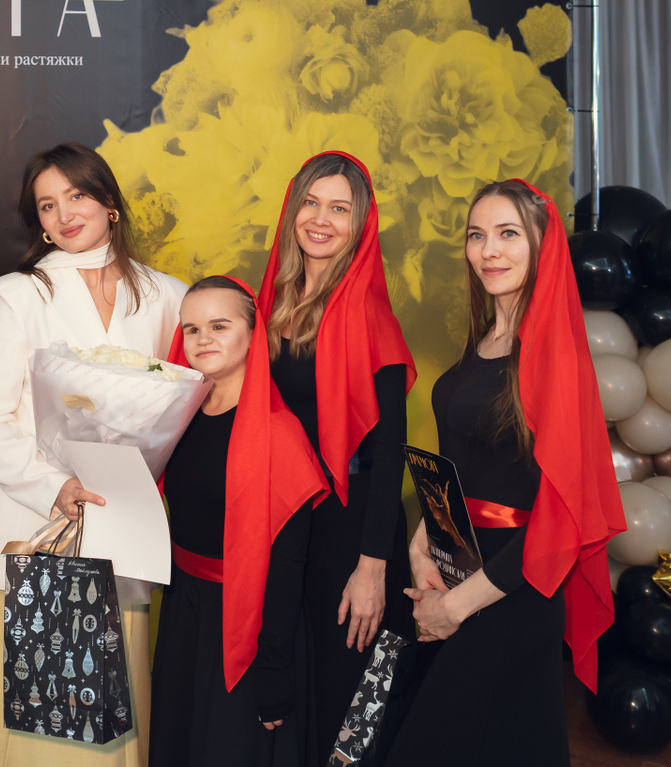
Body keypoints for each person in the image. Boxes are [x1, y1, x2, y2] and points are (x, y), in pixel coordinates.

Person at [382, 179, 624, 767]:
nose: (488, 250)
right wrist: (422, 549)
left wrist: (457, 607)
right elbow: (461, 469)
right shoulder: (485, 340)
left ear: (543, 245)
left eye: (508, 234)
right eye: (476, 235)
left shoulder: (555, 357)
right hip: (456, 571)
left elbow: (561, 522)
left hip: (512, 592)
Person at [0, 141, 187, 767]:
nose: (64, 214)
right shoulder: (19, 294)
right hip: (30, 531)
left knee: (111, 722)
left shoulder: (168, 295)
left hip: (121, 533)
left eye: (77, 195)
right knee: (34, 729)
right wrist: (52, 486)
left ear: (109, 201)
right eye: (47, 204)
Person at [256, 151, 416, 763]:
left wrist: (373, 567)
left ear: (361, 224)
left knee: (349, 700)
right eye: (311, 203)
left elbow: (390, 452)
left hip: (351, 533)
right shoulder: (274, 303)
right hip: (289, 522)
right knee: (293, 685)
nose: (321, 219)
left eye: (340, 209)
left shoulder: (371, 317)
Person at [152, 277, 326, 767]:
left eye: (219, 326)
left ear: (253, 334)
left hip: (247, 627)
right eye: (192, 329)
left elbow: (289, 564)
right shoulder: (178, 417)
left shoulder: (279, 432)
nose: (203, 338)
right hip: (185, 613)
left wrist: (273, 666)